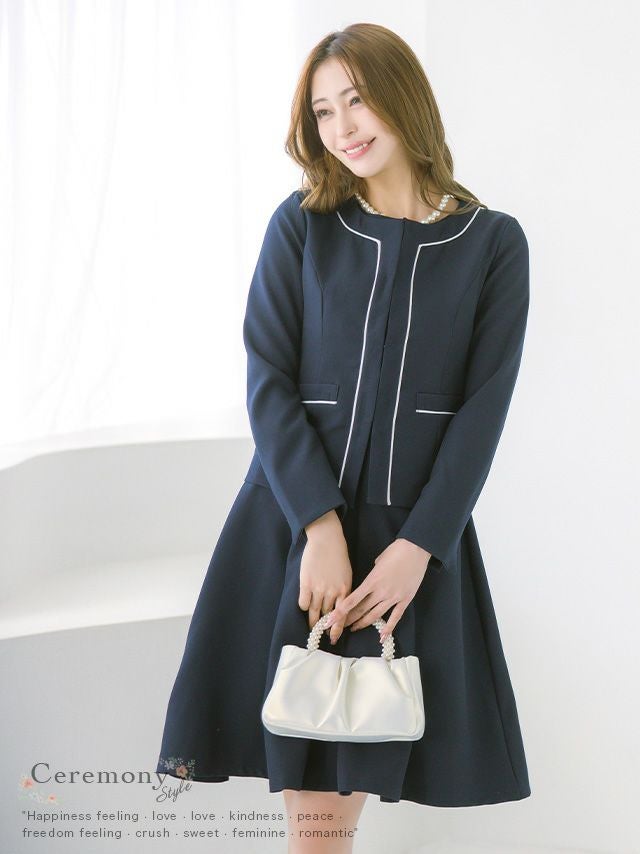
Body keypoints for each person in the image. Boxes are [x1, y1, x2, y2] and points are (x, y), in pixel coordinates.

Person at [156, 22, 531, 852]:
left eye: (356, 100)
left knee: (332, 816)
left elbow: (484, 412)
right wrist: (318, 528)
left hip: (406, 554)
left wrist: (418, 549)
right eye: (324, 112)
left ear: (405, 96)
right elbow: (267, 379)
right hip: (293, 534)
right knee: (316, 822)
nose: (343, 127)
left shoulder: (493, 244)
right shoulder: (303, 225)